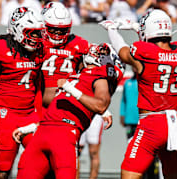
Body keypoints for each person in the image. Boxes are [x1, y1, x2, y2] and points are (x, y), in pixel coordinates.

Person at [99, 9, 177, 179]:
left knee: (129, 173)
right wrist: (139, 29)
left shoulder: (144, 53)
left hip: (151, 125)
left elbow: (123, 51)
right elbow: (161, 51)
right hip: (174, 123)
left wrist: (112, 31)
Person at [14, 43, 124, 179]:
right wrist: (31, 128)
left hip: (65, 134)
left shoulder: (99, 78)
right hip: (42, 132)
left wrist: (69, 88)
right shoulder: (75, 76)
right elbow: (58, 112)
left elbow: (101, 106)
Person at [0, 7, 45, 179]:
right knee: (3, 170)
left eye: (38, 33)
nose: (36, 38)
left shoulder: (40, 50)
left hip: (30, 114)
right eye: (32, 33)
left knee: (43, 161)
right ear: (17, 30)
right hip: (5, 115)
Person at [78, 112, 106, 179]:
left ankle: (93, 177)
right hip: (79, 114)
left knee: (94, 152)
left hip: (95, 116)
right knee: (76, 152)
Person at [120, 68, 139, 139]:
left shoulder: (144, 83)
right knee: (130, 141)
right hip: (129, 119)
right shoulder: (127, 83)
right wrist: (122, 114)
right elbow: (123, 100)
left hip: (140, 118)